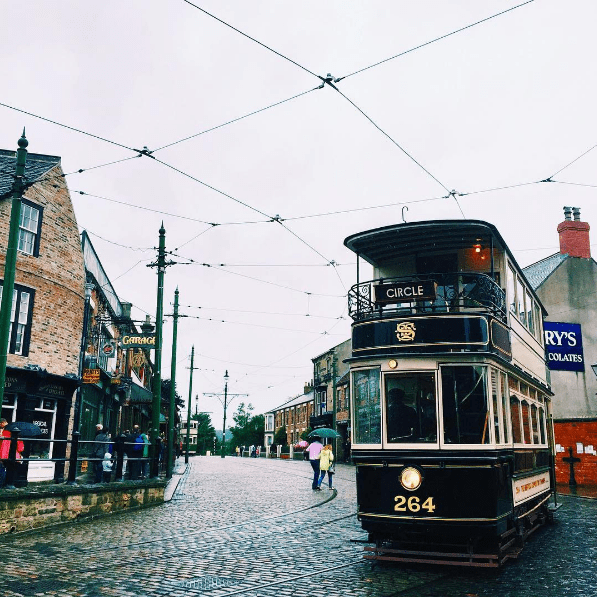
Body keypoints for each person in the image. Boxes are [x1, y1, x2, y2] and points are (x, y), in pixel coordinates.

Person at [0, 418, 24, 488]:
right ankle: (10, 484)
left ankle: (2, 484)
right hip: (14, 456)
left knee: (2, 469)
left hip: (3, 454)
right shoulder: (17, 435)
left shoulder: (3, 433)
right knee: (12, 470)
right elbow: (20, 448)